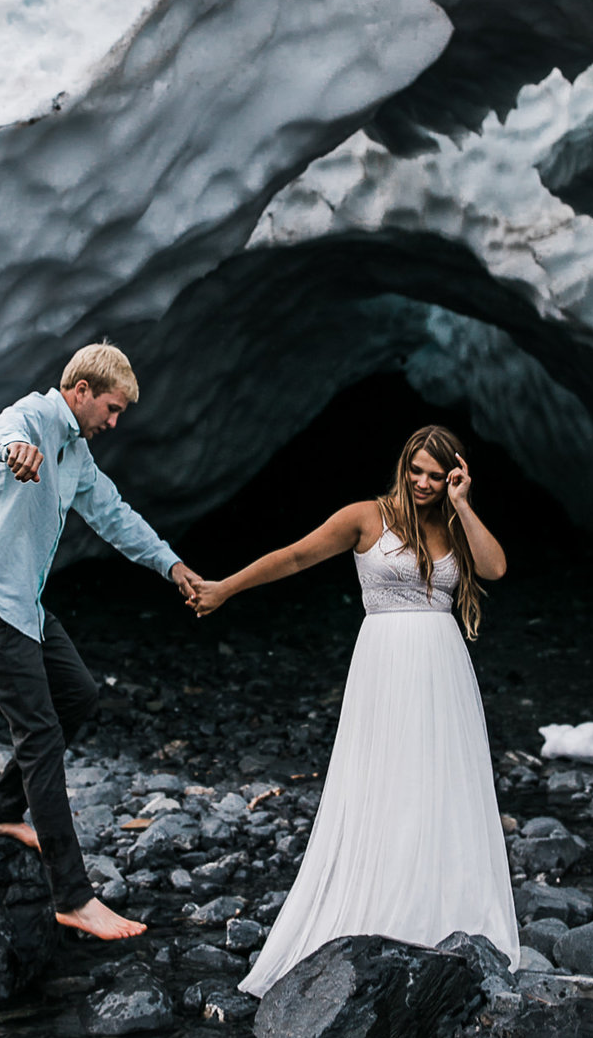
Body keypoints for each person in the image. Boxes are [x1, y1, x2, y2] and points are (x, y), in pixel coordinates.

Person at [189, 424, 521, 990]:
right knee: (385, 783)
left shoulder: (452, 523)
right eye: (415, 470)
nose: (422, 483)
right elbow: (295, 557)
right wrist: (225, 588)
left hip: (444, 670)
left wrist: (463, 505)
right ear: (403, 465)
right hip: (385, 665)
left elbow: (495, 569)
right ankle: (379, 909)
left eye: (435, 476)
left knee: (440, 786)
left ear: (451, 478)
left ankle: (441, 913)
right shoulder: (366, 516)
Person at [0, 342, 204, 942]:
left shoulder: (76, 454)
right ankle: (73, 897)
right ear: (79, 390)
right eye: (110, 408)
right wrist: (15, 452)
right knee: (40, 732)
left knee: (78, 697)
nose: (114, 422)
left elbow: (115, 516)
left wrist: (171, 566)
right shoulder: (30, 419)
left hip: (20, 604)